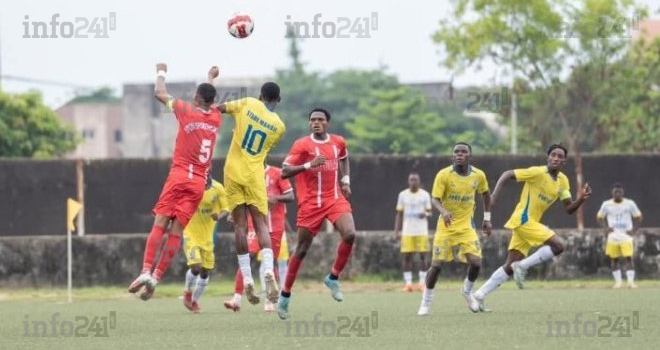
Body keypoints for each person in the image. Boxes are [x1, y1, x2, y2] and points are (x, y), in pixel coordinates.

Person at [128, 64, 221, 300]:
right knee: (176, 232)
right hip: (199, 183)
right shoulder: (216, 118)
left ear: (196, 98)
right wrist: (210, 77)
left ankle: (145, 270)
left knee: (160, 224)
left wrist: (161, 72)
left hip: (179, 176)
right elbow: (209, 95)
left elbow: (159, 93)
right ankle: (157, 277)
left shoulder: (185, 110)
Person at [472, 144, 592, 311]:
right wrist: (493, 196)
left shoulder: (563, 181)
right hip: (523, 219)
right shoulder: (537, 172)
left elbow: (569, 208)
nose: (556, 158)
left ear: (564, 161)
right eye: (553, 155)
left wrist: (582, 199)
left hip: (529, 224)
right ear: (548, 157)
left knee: (509, 266)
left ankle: (479, 295)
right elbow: (507, 174)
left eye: (559, 156)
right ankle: (523, 266)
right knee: (559, 245)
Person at [208, 71, 286, 305]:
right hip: (255, 175)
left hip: (232, 171)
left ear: (260, 96)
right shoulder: (279, 126)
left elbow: (217, 109)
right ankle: (269, 271)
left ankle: (247, 277)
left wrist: (210, 81)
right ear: (277, 100)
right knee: (261, 223)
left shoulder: (248, 103)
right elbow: (264, 154)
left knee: (240, 226)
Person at [277, 108, 356, 320]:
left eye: (320, 120)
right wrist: (307, 165)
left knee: (350, 234)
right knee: (302, 249)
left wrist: (346, 181)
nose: (316, 122)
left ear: (327, 123)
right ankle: (284, 295)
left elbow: (344, 158)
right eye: (312, 120)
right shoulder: (302, 145)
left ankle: (333, 277)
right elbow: (284, 171)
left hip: (334, 198)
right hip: (310, 203)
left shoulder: (338, 142)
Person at [417, 143, 491, 316]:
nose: (459, 154)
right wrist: (444, 211)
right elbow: (435, 198)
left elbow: (486, 194)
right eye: (456, 152)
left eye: (463, 152)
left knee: (476, 262)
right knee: (436, 266)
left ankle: (467, 291)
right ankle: (426, 302)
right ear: (452, 156)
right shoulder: (444, 175)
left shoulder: (478, 175)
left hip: (466, 227)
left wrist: (487, 218)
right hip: (446, 227)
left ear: (469, 156)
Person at [224, 164, 294, 313]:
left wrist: (276, 198)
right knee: (247, 257)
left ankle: (270, 300)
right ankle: (236, 299)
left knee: (271, 262)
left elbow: (290, 195)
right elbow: (239, 197)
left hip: (274, 225)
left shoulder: (277, 173)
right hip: (253, 225)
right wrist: (232, 213)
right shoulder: (246, 174)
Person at [181, 176, 230, 313]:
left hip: (207, 236)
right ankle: (187, 292)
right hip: (190, 233)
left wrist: (219, 216)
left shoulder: (218, 188)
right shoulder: (189, 185)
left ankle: (195, 301)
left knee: (205, 272)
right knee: (196, 267)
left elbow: (226, 208)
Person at [597, 183, 642, 289]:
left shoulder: (630, 204)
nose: (617, 194)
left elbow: (638, 217)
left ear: (623, 192)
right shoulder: (606, 204)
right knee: (614, 259)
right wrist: (605, 228)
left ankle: (630, 282)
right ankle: (618, 282)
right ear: (612, 193)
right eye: (615, 192)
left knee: (629, 258)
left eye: (619, 192)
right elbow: (599, 217)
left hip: (626, 236)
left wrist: (634, 230)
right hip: (613, 237)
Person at [394, 172, 432, 292]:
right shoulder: (403, 195)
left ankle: (422, 283)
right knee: (407, 257)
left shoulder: (425, 195)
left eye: (415, 180)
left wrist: (425, 214)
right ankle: (408, 284)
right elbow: (399, 214)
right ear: (408, 181)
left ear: (419, 182)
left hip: (421, 231)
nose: (413, 182)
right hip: (407, 231)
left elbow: (430, 212)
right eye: (411, 180)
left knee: (422, 257)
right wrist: (396, 231)